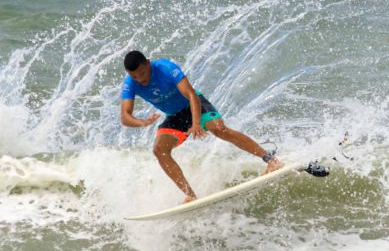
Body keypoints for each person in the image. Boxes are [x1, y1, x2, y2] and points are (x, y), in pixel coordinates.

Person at [120, 51, 283, 203]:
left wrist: (196, 123)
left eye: (142, 73)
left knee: (219, 130)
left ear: (148, 62)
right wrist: (141, 122)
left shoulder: (165, 68)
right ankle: (190, 195)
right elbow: (125, 117)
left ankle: (271, 161)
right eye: (134, 76)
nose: (140, 79)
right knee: (159, 150)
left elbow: (191, 95)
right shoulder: (131, 83)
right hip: (174, 117)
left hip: (194, 104)